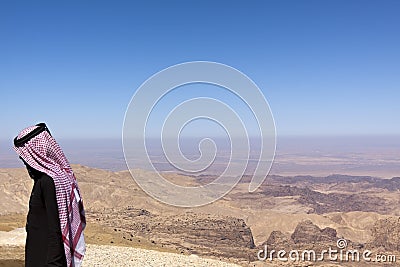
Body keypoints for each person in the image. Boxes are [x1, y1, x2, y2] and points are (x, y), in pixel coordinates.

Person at [13, 123, 86, 267]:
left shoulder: (48, 181)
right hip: (41, 250)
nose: (24, 161)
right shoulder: (57, 176)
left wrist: (53, 263)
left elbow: (56, 228)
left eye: (25, 156)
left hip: (45, 256)